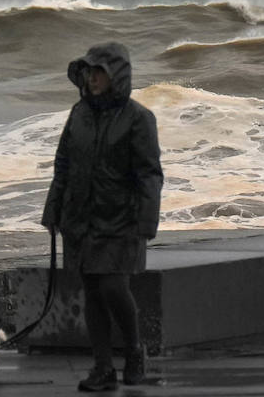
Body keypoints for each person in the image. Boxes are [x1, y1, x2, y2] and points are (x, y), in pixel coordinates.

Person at [41, 42, 163, 391]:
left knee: (113, 286)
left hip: (121, 221)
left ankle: (134, 352)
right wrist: (53, 210)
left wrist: (146, 221)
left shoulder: (139, 119)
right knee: (92, 291)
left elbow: (149, 174)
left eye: (99, 73)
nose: (92, 79)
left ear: (116, 76)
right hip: (79, 219)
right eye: (89, 72)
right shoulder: (78, 113)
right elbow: (62, 165)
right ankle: (103, 368)